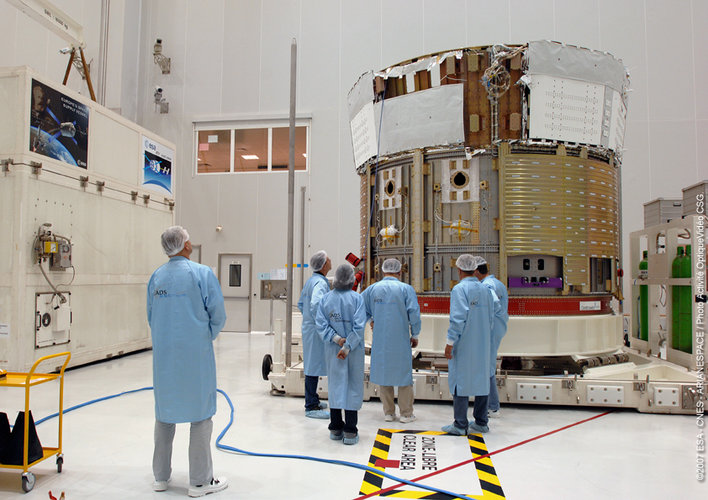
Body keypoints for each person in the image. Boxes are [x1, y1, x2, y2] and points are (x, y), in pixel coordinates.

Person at [147, 226, 228, 497]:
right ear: (183, 245)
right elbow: (218, 314)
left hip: (165, 357)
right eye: (188, 238)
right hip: (195, 357)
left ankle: (160, 478)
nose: (191, 241)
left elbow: (151, 315)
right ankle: (200, 482)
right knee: (201, 417)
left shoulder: (157, 277)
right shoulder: (202, 274)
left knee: (164, 416)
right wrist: (204, 335)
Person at [442, 254, 498, 435]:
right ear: (474, 269)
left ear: (459, 270)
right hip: (483, 342)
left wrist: (450, 343)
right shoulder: (486, 290)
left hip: (464, 343)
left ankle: (460, 424)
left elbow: (458, 318)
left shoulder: (459, 290)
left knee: (461, 381)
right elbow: (492, 315)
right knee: (482, 380)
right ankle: (481, 421)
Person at [361, 258, 421, 422]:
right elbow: (414, 314)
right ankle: (406, 414)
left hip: (380, 340)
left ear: (382, 271)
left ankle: (388, 412)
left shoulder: (372, 289)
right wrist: (415, 335)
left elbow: (360, 307)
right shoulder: (406, 289)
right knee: (403, 376)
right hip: (401, 340)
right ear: (400, 272)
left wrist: (370, 320)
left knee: (384, 374)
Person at [315, 264, 367, 445]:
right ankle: (350, 431)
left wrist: (337, 340)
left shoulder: (325, 300)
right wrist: (347, 346)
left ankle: (336, 428)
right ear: (352, 279)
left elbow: (321, 325)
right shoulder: (357, 299)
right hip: (353, 352)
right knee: (352, 387)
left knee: (336, 386)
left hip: (332, 350)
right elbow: (359, 327)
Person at [297, 250, 331, 419]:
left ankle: (314, 400)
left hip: (310, 328)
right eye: (328, 259)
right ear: (324, 265)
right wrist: (323, 324)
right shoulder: (321, 284)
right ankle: (310, 405)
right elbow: (316, 304)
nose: (330, 261)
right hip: (316, 330)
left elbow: (301, 304)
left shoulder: (312, 281)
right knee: (313, 366)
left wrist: (310, 320)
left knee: (313, 364)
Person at [473, 257, 509, 419]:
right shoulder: (498, 283)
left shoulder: (487, 286)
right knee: (487, 365)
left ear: (475, 271)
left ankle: (492, 406)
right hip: (496, 328)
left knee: (486, 367)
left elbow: (492, 306)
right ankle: (491, 404)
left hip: (490, 329)